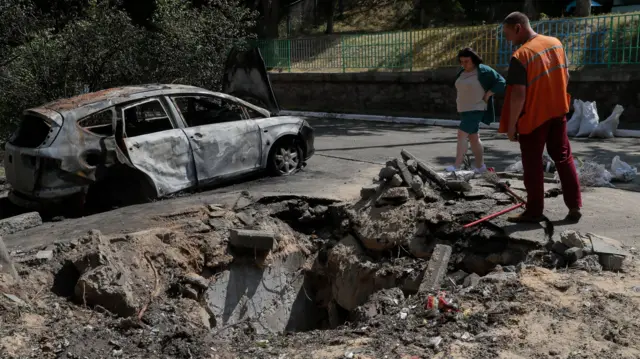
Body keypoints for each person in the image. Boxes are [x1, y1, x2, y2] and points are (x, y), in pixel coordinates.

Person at [499, 12, 582, 223]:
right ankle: (574, 207)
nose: (507, 39)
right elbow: (566, 76)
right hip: (558, 111)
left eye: (508, 34)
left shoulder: (522, 55)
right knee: (563, 158)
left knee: (533, 164)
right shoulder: (555, 44)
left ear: (518, 28)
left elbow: (518, 95)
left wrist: (511, 126)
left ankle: (534, 211)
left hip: (534, 117)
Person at [446, 48, 506, 174]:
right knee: (474, 138)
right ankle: (480, 167)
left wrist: (489, 93)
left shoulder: (484, 70)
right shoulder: (462, 72)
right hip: (464, 109)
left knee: (461, 134)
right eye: (461, 62)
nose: (464, 64)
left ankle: (457, 166)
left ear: (474, 60)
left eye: (466, 61)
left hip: (476, 108)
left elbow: (502, 82)